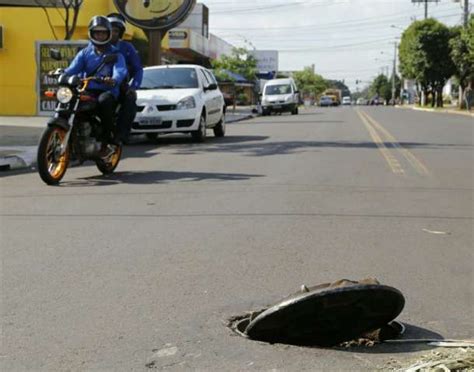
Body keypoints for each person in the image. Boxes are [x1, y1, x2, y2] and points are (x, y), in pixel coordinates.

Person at [64, 15, 127, 154]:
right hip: (88, 90)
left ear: (108, 34)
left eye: (103, 32)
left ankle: (106, 139)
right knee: (71, 99)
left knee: (104, 101)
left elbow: (120, 70)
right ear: (91, 33)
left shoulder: (116, 54)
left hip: (107, 90)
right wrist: (61, 73)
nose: (100, 35)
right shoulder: (85, 53)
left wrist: (114, 79)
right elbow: (72, 69)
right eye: (97, 32)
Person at [107, 13, 143, 144]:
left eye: (116, 31)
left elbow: (138, 69)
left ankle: (122, 134)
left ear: (121, 33)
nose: (112, 34)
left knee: (130, 99)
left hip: (120, 85)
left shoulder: (127, 48)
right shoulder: (93, 46)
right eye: (109, 30)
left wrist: (133, 87)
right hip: (96, 85)